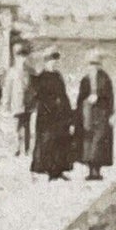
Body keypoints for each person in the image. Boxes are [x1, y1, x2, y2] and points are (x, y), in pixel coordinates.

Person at [29, 49, 72, 180]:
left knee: (59, 141)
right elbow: (39, 97)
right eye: (50, 61)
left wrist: (68, 111)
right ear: (45, 62)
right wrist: (51, 105)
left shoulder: (58, 75)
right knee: (46, 141)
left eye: (54, 61)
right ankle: (46, 169)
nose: (53, 63)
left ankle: (58, 170)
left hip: (59, 115)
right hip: (46, 115)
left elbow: (63, 94)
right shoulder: (41, 77)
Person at [77, 52, 115, 181]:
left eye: (95, 64)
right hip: (88, 115)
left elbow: (110, 98)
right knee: (88, 141)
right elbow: (80, 98)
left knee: (99, 142)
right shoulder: (85, 79)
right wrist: (78, 114)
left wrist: (111, 113)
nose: (92, 67)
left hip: (101, 114)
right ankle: (90, 169)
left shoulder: (105, 79)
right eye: (90, 64)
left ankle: (96, 170)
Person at [3, 48, 32, 154]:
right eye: (21, 57)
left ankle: (27, 148)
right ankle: (17, 147)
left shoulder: (28, 71)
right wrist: (6, 105)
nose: (23, 60)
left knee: (27, 126)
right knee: (16, 127)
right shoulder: (12, 72)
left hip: (27, 104)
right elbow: (7, 89)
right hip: (16, 103)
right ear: (17, 58)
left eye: (25, 57)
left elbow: (31, 88)